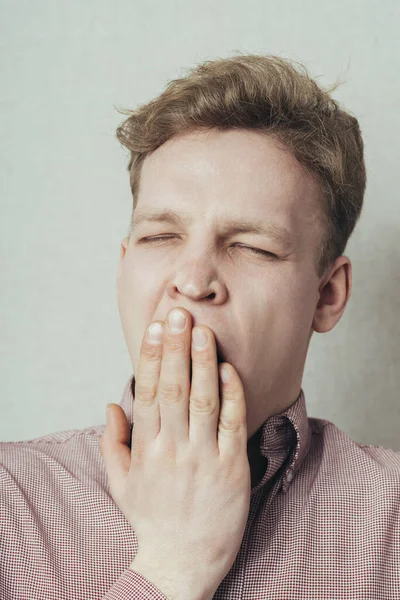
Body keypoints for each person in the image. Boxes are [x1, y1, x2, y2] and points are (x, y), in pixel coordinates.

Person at [1, 54, 399, 600]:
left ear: (327, 295)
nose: (192, 280)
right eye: (159, 237)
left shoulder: (391, 519)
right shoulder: (12, 499)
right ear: (123, 270)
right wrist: (173, 566)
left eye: (252, 246)